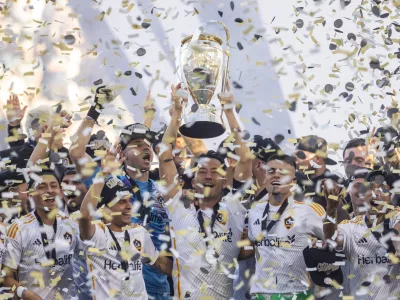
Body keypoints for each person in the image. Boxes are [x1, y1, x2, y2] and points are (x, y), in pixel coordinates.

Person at [159, 85, 247, 299]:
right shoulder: (178, 204)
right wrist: (177, 116)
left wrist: (228, 112)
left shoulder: (235, 208)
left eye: (214, 172)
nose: (208, 176)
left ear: (224, 178)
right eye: (202, 172)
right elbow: (164, 156)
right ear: (194, 177)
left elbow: (245, 159)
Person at [79, 148, 172, 299]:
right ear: (105, 209)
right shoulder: (97, 234)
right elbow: (84, 216)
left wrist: (189, 273)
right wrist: (103, 175)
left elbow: (160, 263)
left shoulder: (139, 232)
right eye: (121, 202)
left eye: (129, 200)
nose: (129, 206)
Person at [245, 154, 326, 300]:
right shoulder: (254, 211)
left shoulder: (310, 210)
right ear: (265, 177)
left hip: (296, 294)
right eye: (271, 171)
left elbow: (335, 241)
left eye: (282, 172)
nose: (276, 175)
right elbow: (254, 245)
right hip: (260, 295)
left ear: (293, 181)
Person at [2, 170, 80, 299]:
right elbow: (6, 278)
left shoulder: (72, 226)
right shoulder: (19, 228)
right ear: (31, 194)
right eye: (42, 187)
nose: (49, 191)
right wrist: (26, 294)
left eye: (54, 186)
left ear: (60, 192)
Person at [324, 169, 400, 299]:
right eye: (371, 188)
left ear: (390, 196)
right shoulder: (352, 226)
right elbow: (331, 238)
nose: (376, 193)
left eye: (383, 189)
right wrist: (331, 208)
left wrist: (397, 247)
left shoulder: (396, 217)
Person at [294, 135, 350, 221]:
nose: (296, 161)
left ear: (317, 158)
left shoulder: (339, 184)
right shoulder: (294, 184)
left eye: (301, 155)